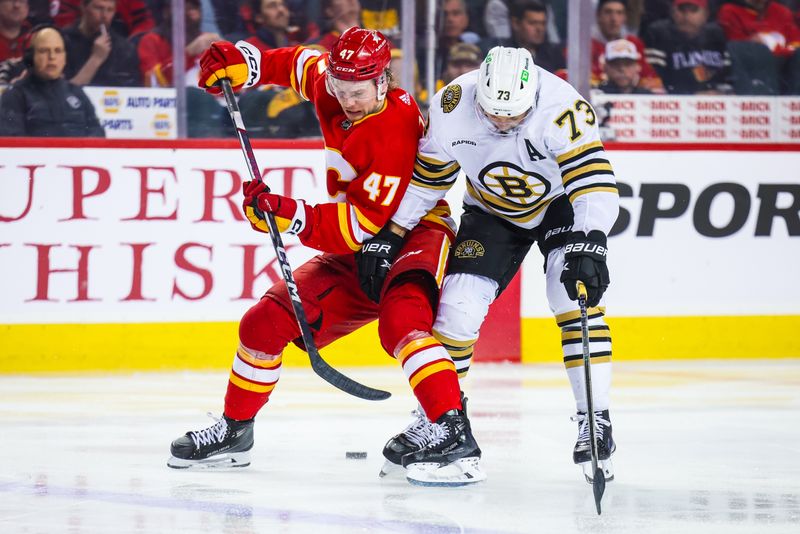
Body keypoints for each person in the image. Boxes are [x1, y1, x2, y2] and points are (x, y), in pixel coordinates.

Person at [167, 27, 485, 487]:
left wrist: (287, 213)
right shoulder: (334, 84)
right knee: (263, 323)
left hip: (414, 233)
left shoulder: (393, 126)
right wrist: (245, 63)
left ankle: (454, 435)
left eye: (358, 92)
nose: (348, 100)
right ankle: (235, 433)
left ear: (383, 81)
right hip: (357, 239)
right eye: (340, 89)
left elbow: (364, 226)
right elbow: (297, 63)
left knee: (401, 324)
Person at [357, 46, 620, 482]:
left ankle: (596, 420)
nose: (501, 123)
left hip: (562, 207)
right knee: (455, 313)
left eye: (512, 117)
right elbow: (427, 182)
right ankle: (443, 423)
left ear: (533, 96)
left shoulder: (564, 108)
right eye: (492, 114)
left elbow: (594, 181)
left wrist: (593, 242)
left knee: (570, 299)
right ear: (478, 92)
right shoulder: (452, 105)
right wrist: (391, 235)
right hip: (491, 211)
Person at [0, 24, 105, 136]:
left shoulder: (76, 93)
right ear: (30, 57)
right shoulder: (15, 96)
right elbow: (12, 143)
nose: (52, 57)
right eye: (44, 51)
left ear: (65, 58)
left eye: (58, 51)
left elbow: (97, 135)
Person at [643, 0, 731, 94]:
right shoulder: (659, 34)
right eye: (682, 9)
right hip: (674, 103)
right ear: (673, 12)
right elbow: (653, 80)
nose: (687, 15)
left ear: (706, 14)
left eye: (693, 10)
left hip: (718, 103)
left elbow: (729, 78)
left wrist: (721, 93)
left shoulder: (716, 35)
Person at [718, 0, 800, 94]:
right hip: (753, 77)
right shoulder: (729, 11)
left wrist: (774, 49)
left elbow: (796, 45)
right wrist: (780, 50)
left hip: (785, 72)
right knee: (757, 51)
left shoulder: (782, 11)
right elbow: (740, 51)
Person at [137, 0, 220, 87]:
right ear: (166, 12)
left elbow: (227, 87)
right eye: (182, 8)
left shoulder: (207, 41)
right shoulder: (151, 41)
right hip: (169, 99)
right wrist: (188, 53)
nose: (187, 13)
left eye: (192, 8)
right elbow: (154, 82)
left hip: (206, 97)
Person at [62, 0, 142, 87]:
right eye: (98, 8)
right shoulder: (63, 41)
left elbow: (129, 91)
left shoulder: (125, 49)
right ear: (83, 7)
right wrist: (96, 59)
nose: (104, 15)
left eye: (110, 10)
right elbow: (66, 94)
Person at [591, 0, 663, 91]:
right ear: (598, 16)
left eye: (619, 13)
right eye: (608, 12)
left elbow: (653, 83)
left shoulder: (634, 44)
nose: (614, 18)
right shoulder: (585, 46)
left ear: (625, 17)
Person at [482, 0, 565, 75]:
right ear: (516, 23)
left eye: (543, 23)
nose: (539, 29)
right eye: (533, 23)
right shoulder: (504, 53)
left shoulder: (553, 54)